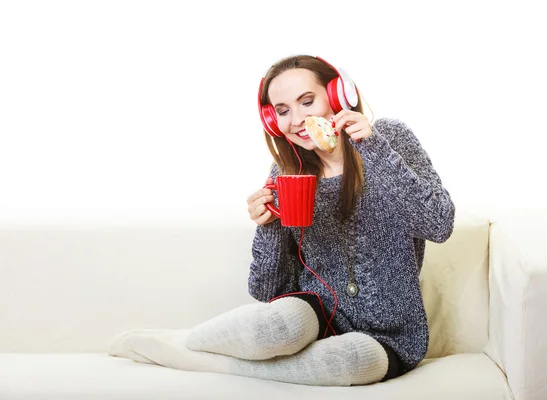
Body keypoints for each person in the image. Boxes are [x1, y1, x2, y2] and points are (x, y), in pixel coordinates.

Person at [108, 55, 455, 387]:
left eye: (308, 101)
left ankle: (192, 358)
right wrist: (269, 225)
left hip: (389, 334)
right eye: (283, 111)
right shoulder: (286, 173)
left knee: (348, 362)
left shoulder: (388, 138)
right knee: (270, 330)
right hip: (315, 311)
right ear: (273, 122)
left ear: (337, 95)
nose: (297, 119)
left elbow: (439, 224)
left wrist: (372, 146)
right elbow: (268, 292)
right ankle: (184, 340)